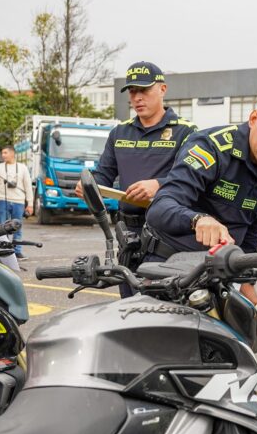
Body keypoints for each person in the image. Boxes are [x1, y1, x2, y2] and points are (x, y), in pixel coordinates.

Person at [143, 88, 257, 308]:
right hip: (168, 267)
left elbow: (252, 230)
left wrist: (247, 280)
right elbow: (159, 208)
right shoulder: (209, 147)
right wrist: (197, 220)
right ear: (253, 119)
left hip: (218, 272)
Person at [78, 61, 196, 294]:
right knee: (129, 305)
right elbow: (103, 175)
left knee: (162, 306)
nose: (137, 98)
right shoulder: (119, 132)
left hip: (167, 235)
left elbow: (194, 179)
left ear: (162, 89)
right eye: (132, 91)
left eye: (144, 90)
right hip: (129, 235)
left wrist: (159, 184)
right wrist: (88, 186)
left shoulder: (187, 132)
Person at [0, 146, 34, 259]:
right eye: (2, 153)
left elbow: (28, 186)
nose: (3, 155)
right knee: (2, 226)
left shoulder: (22, 168)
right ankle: (3, 250)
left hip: (18, 201)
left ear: (12, 154)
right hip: (2, 200)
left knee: (17, 227)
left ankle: (17, 251)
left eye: (5, 153)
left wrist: (30, 204)